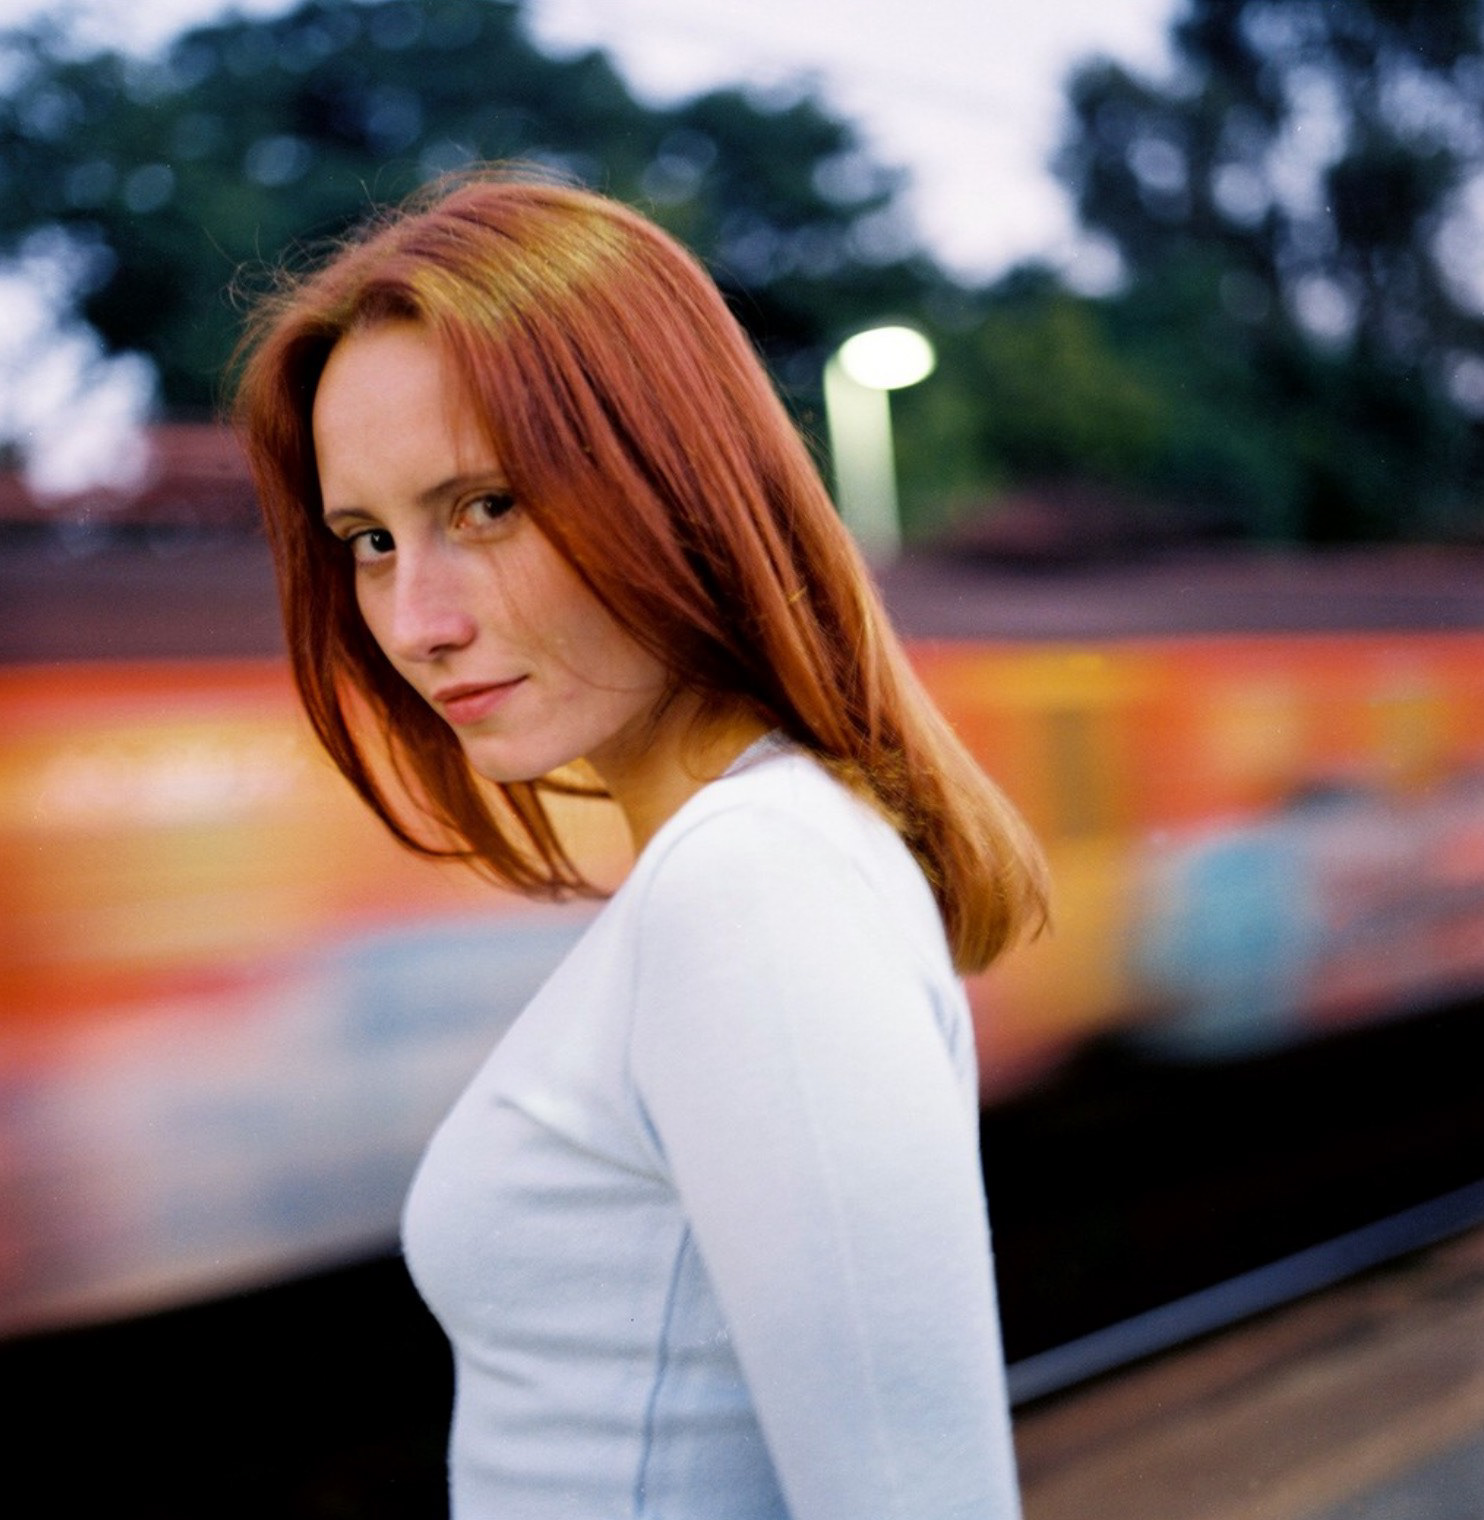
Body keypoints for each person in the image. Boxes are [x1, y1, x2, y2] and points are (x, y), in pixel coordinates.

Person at [233, 169, 1048, 1520]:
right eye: (368, 541)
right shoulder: (748, 863)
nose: (417, 621)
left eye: (485, 506)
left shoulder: (755, 886)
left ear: (670, 486)